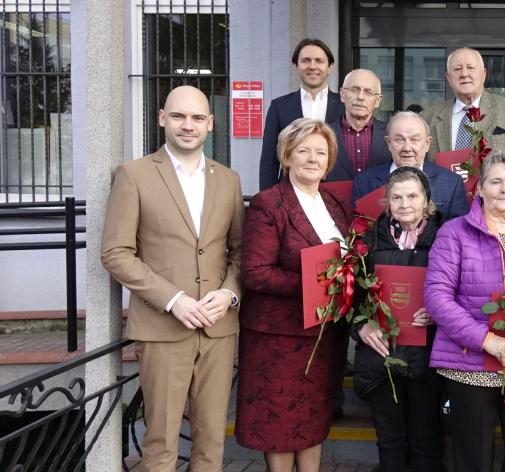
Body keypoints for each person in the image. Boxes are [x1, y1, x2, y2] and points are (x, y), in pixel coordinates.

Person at [100, 85, 244, 471]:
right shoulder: (133, 175)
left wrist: (229, 294)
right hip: (164, 327)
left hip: (218, 328)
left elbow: (240, 251)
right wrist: (173, 299)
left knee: (211, 439)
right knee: (161, 443)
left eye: (198, 118)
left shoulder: (228, 179)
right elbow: (115, 253)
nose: (188, 125)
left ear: (211, 124)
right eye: (178, 116)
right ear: (162, 118)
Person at [425, 150, 505, 472]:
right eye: (495, 181)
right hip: (469, 362)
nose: (504, 188)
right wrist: (486, 339)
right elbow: (437, 297)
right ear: (479, 188)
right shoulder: (454, 233)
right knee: (474, 459)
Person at [235, 118, 351, 472]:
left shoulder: (333, 203)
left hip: (323, 335)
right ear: (287, 156)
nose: (313, 158)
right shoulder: (269, 204)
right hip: (278, 339)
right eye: (304, 151)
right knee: (280, 426)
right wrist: (315, 286)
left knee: (313, 421)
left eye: (320, 151)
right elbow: (255, 273)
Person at [353, 167, 445, 472]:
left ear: (426, 200)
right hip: (382, 356)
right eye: (396, 197)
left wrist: (439, 313)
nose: (404, 203)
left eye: (412, 196)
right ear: (387, 202)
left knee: (426, 439)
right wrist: (361, 326)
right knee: (390, 441)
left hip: (427, 355)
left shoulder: (446, 237)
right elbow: (349, 297)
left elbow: (461, 291)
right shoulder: (367, 241)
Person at [260, 39, 352, 189]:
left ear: (329, 67)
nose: (312, 66)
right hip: (290, 194)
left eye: (319, 61)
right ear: (296, 66)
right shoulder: (279, 106)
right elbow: (269, 161)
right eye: (305, 60)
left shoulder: (344, 105)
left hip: (336, 192)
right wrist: (266, 199)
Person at [352, 111, 468, 220]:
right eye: (399, 140)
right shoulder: (364, 183)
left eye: (414, 140)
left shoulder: (451, 183)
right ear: (388, 143)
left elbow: (457, 233)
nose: (407, 148)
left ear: (427, 143)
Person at [422, 47, 505, 162]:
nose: (464, 74)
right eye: (457, 69)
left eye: (470, 68)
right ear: (448, 78)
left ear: (483, 74)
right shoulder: (428, 118)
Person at [339, 68, 393, 175]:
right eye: (355, 89)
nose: (360, 97)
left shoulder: (392, 134)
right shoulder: (324, 134)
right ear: (342, 94)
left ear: (378, 101)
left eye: (368, 92)